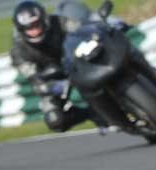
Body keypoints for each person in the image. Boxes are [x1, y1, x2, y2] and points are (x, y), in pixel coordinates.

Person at [9, 1, 95, 133]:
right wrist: (51, 86)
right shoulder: (19, 49)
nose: (34, 30)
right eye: (29, 28)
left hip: (77, 63)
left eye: (36, 25)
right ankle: (92, 113)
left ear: (44, 19)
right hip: (53, 80)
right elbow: (32, 78)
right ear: (21, 29)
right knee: (55, 121)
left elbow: (82, 30)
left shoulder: (59, 22)